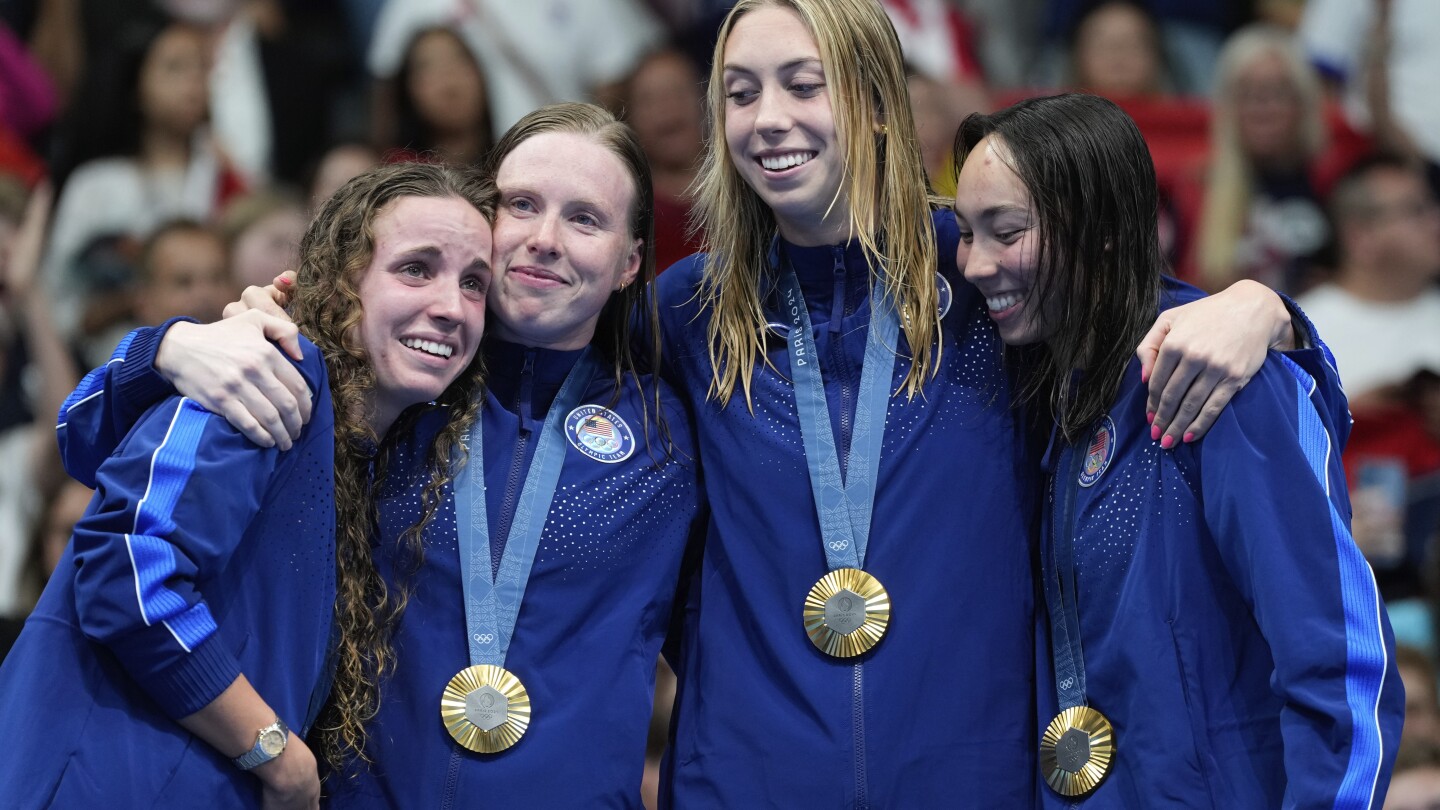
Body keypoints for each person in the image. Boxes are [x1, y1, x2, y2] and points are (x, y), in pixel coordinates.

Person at [651, 1, 1328, 806]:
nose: (769, 119)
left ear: (874, 103)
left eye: (804, 85)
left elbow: (1135, 318)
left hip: (974, 777)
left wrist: (1267, 309)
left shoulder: (982, 272)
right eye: (739, 93)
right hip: (747, 779)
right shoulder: (686, 314)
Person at [61, 103, 701, 808]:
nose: (545, 238)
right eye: (522, 204)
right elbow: (89, 446)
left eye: (585, 219)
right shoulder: (384, 378)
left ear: (631, 261)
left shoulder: (674, 435)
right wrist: (166, 351)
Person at [952, 92, 1401, 807]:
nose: (974, 264)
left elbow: (1339, 659)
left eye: (1004, 231)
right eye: (965, 231)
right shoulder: (1041, 390)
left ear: (1098, 227)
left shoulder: (1220, 377)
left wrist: (1271, 311)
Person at [0, 161, 492, 808]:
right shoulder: (270, 374)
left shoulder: (376, 449)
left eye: (475, 283)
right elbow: (128, 570)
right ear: (345, 280)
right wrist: (276, 754)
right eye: (415, 269)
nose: (450, 306)